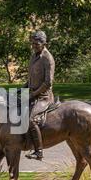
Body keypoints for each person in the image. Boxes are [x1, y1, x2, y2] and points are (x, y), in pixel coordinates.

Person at [23, 31, 55, 160]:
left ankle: (38, 151)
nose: (34, 46)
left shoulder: (48, 58)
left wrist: (33, 94)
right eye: (32, 44)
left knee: (31, 120)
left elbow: (48, 82)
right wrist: (22, 89)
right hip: (32, 93)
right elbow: (31, 78)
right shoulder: (33, 56)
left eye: (37, 44)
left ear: (44, 44)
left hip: (43, 97)